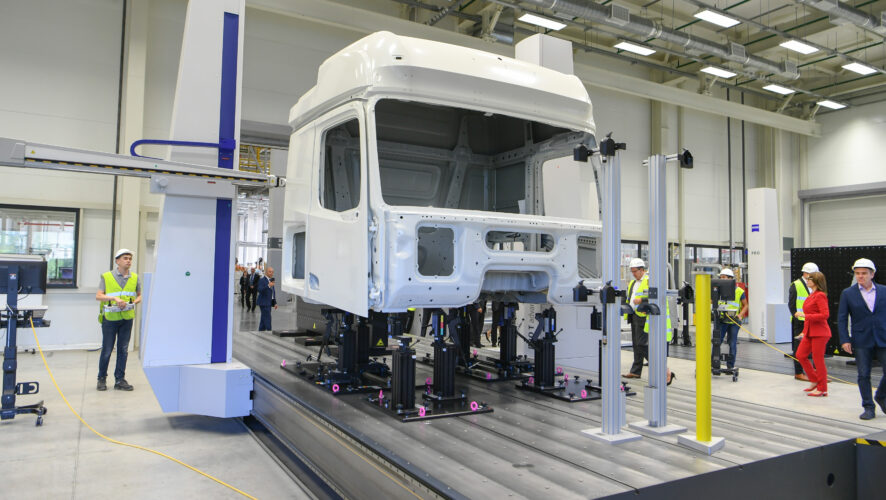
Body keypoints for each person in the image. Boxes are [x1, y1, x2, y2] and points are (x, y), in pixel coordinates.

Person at [837, 258, 886, 420]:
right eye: (857, 273)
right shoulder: (848, 294)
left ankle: (881, 396)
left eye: (864, 273)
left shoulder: (884, 291)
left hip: (883, 336)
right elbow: (842, 318)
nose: (860, 276)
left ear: (872, 274)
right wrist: (845, 339)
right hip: (861, 339)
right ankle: (868, 407)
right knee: (863, 374)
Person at [95, 248, 141, 391]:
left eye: (130, 258)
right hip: (110, 319)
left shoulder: (135, 277)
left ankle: (120, 380)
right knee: (107, 350)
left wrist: (132, 302)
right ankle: (101, 379)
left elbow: (140, 295)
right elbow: (99, 296)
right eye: (125, 258)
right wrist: (114, 298)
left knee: (123, 350)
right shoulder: (107, 276)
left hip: (127, 318)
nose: (128, 261)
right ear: (117, 261)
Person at [796, 271, 830, 397]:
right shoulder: (811, 295)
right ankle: (815, 380)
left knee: (818, 360)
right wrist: (804, 332)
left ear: (816, 281)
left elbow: (824, 315)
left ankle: (822, 388)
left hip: (820, 332)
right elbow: (809, 317)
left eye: (810, 279)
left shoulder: (820, 295)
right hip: (810, 332)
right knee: (800, 355)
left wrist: (805, 315)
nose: (808, 280)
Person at [789, 262, 819, 381]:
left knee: (816, 347)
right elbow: (792, 304)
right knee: (798, 348)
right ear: (805, 273)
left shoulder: (815, 285)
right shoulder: (796, 285)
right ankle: (798, 372)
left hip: (813, 320)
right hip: (800, 321)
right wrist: (797, 316)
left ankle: (817, 373)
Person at [717, 268, 748, 372]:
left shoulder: (739, 291)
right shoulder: (718, 290)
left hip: (734, 321)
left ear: (730, 278)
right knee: (717, 342)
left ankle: (730, 366)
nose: (722, 279)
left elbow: (745, 305)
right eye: (720, 277)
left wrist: (740, 315)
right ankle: (715, 363)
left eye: (724, 277)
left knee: (732, 343)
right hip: (721, 320)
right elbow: (711, 300)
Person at [623, 258, 649, 379]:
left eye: (635, 271)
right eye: (632, 271)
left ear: (641, 270)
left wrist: (642, 300)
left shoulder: (648, 281)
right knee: (636, 344)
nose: (633, 274)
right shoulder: (633, 283)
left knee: (641, 344)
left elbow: (654, 296)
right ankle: (636, 371)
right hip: (634, 315)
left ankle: (660, 367)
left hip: (643, 316)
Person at [257, 267, 278, 331]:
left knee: (263, 320)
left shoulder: (271, 281)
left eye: (272, 272)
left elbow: (272, 292)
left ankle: (261, 331)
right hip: (263, 303)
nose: (271, 273)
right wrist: (268, 286)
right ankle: (269, 331)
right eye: (270, 272)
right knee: (267, 318)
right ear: (266, 272)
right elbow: (260, 290)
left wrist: (274, 302)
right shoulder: (262, 280)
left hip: (269, 303)